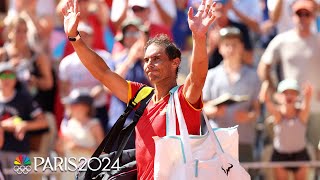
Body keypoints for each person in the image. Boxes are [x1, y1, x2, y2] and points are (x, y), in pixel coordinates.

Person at [61, 0, 216, 179]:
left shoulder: (183, 99)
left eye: (157, 58)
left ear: (175, 62)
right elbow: (103, 73)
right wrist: (75, 38)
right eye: (146, 60)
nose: (150, 64)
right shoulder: (142, 96)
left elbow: (197, 77)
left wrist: (199, 37)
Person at [258, 0, 320, 156]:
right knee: (289, 156)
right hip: (289, 111)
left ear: (314, 16)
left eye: (307, 14)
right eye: (300, 14)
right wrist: (273, 92)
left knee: (315, 153)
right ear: (293, 16)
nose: (303, 18)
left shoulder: (318, 40)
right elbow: (263, 67)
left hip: (315, 108)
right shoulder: (282, 40)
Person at [203, 27, 260, 163]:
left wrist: (248, 116)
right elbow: (203, 107)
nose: (230, 49)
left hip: (243, 138)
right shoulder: (211, 75)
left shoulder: (253, 76)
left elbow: (257, 110)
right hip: (216, 138)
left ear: (241, 47)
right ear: (220, 48)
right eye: (226, 45)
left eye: (234, 45)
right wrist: (215, 110)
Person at [59, 21, 113, 133]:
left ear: (92, 37)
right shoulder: (67, 63)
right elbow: (63, 91)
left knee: (102, 147)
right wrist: (69, 109)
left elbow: (112, 83)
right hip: (76, 110)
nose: (83, 38)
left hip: (98, 108)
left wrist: (100, 89)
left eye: (86, 35)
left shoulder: (105, 57)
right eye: (79, 35)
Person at [0, 62, 48, 180]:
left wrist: (24, 125)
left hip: (20, 152)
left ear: (16, 79)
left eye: (10, 76)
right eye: (3, 76)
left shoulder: (25, 98)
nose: (7, 80)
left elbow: (43, 122)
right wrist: (5, 125)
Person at [260, 79, 312, 180]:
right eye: (285, 93)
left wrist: (308, 95)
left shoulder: (302, 114)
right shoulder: (278, 115)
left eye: (292, 93)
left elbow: (307, 100)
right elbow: (266, 100)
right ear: (279, 97)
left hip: (300, 155)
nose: (289, 96)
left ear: (297, 96)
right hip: (280, 155)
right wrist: (265, 86)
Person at [56, 89, 104, 179]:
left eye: (74, 104)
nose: (70, 107)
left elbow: (103, 153)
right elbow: (60, 149)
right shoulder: (66, 123)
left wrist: (78, 148)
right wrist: (61, 146)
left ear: (85, 107)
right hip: (68, 171)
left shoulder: (94, 125)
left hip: (88, 171)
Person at [206, 0, 253, 68]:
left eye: (223, 1)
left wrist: (233, 48)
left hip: (238, 75)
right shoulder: (204, 29)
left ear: (229, 5)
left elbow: (249, 59)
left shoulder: (240, 29)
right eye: (216, 2)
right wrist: (210, 48)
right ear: (210, 6)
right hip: (210, 75)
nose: (220, 5)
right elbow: (193, 65)